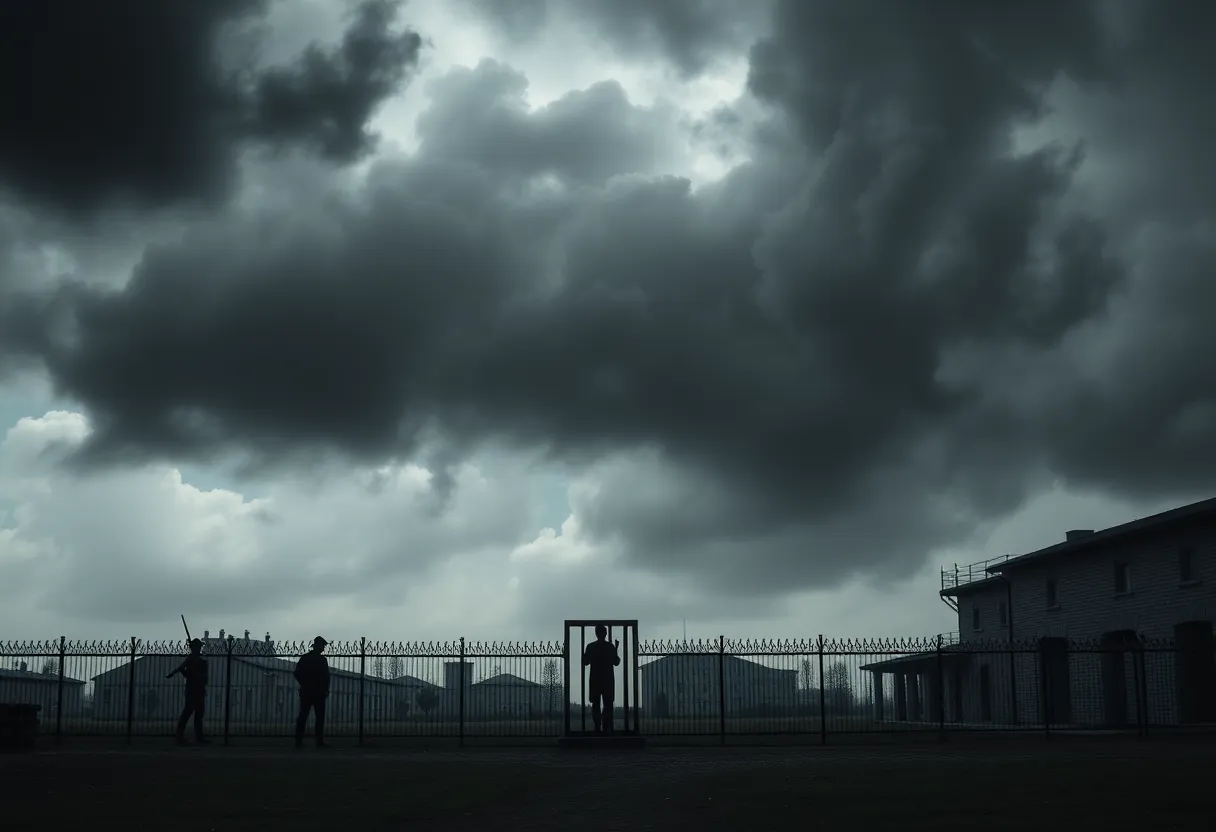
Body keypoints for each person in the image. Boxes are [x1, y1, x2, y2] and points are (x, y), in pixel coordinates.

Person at [167, 638, 210, 745]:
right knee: (187, 713)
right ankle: (179, 737)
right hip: (192, 691)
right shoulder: (191, 660)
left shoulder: (201, 661)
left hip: (199, 690)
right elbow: (183, 671)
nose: (199, 648)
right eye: (197, 647)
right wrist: (185, 672)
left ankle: (198, 737)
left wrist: (192, 673)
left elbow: (204, 678)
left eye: (199, 647)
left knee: (198, 715)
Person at [582, 625, 620, 734]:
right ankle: (606, 727)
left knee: (595, 705)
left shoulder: (591, 647)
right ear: (606, 634)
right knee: (608, 704)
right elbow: (616, 662)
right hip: (607, 679)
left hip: (595, 679)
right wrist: (615, 650)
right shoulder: (610, 647)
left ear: (596, 633)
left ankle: (598, 727)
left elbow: (585, 662)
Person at [294, 636, 330, 748]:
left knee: (303, 716)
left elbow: (296, 673)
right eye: (322, 646)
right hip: (318, 692)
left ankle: (299, 741)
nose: (323, 648)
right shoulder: (322, 660)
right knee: (319, 718)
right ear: (318, 646)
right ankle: (319, 741)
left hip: (307, 691)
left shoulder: (305, 658)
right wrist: (325, 689)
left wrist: (304, 684)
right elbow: (326, 677)